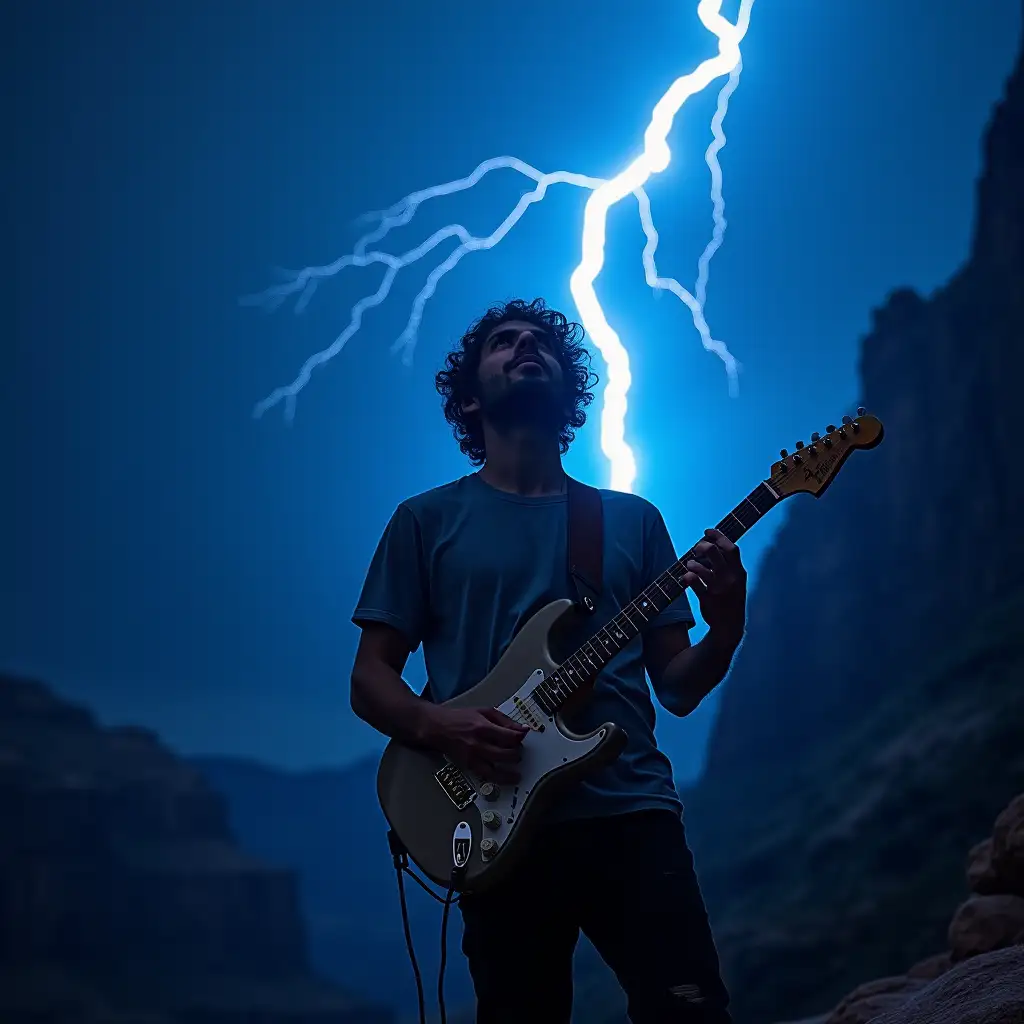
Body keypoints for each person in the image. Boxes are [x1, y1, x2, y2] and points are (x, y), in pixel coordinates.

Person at [350, 298, 746, 1023]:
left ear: (570, 387)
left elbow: (680, 689)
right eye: (503, 342)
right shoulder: (424, 521)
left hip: (629, 811)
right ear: (469, 395)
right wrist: (444, 728)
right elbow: (370, 678)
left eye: (541, 342)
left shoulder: (633, 521)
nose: (526, 347)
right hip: (492, 820)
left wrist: (726, 623)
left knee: (690, 1011)